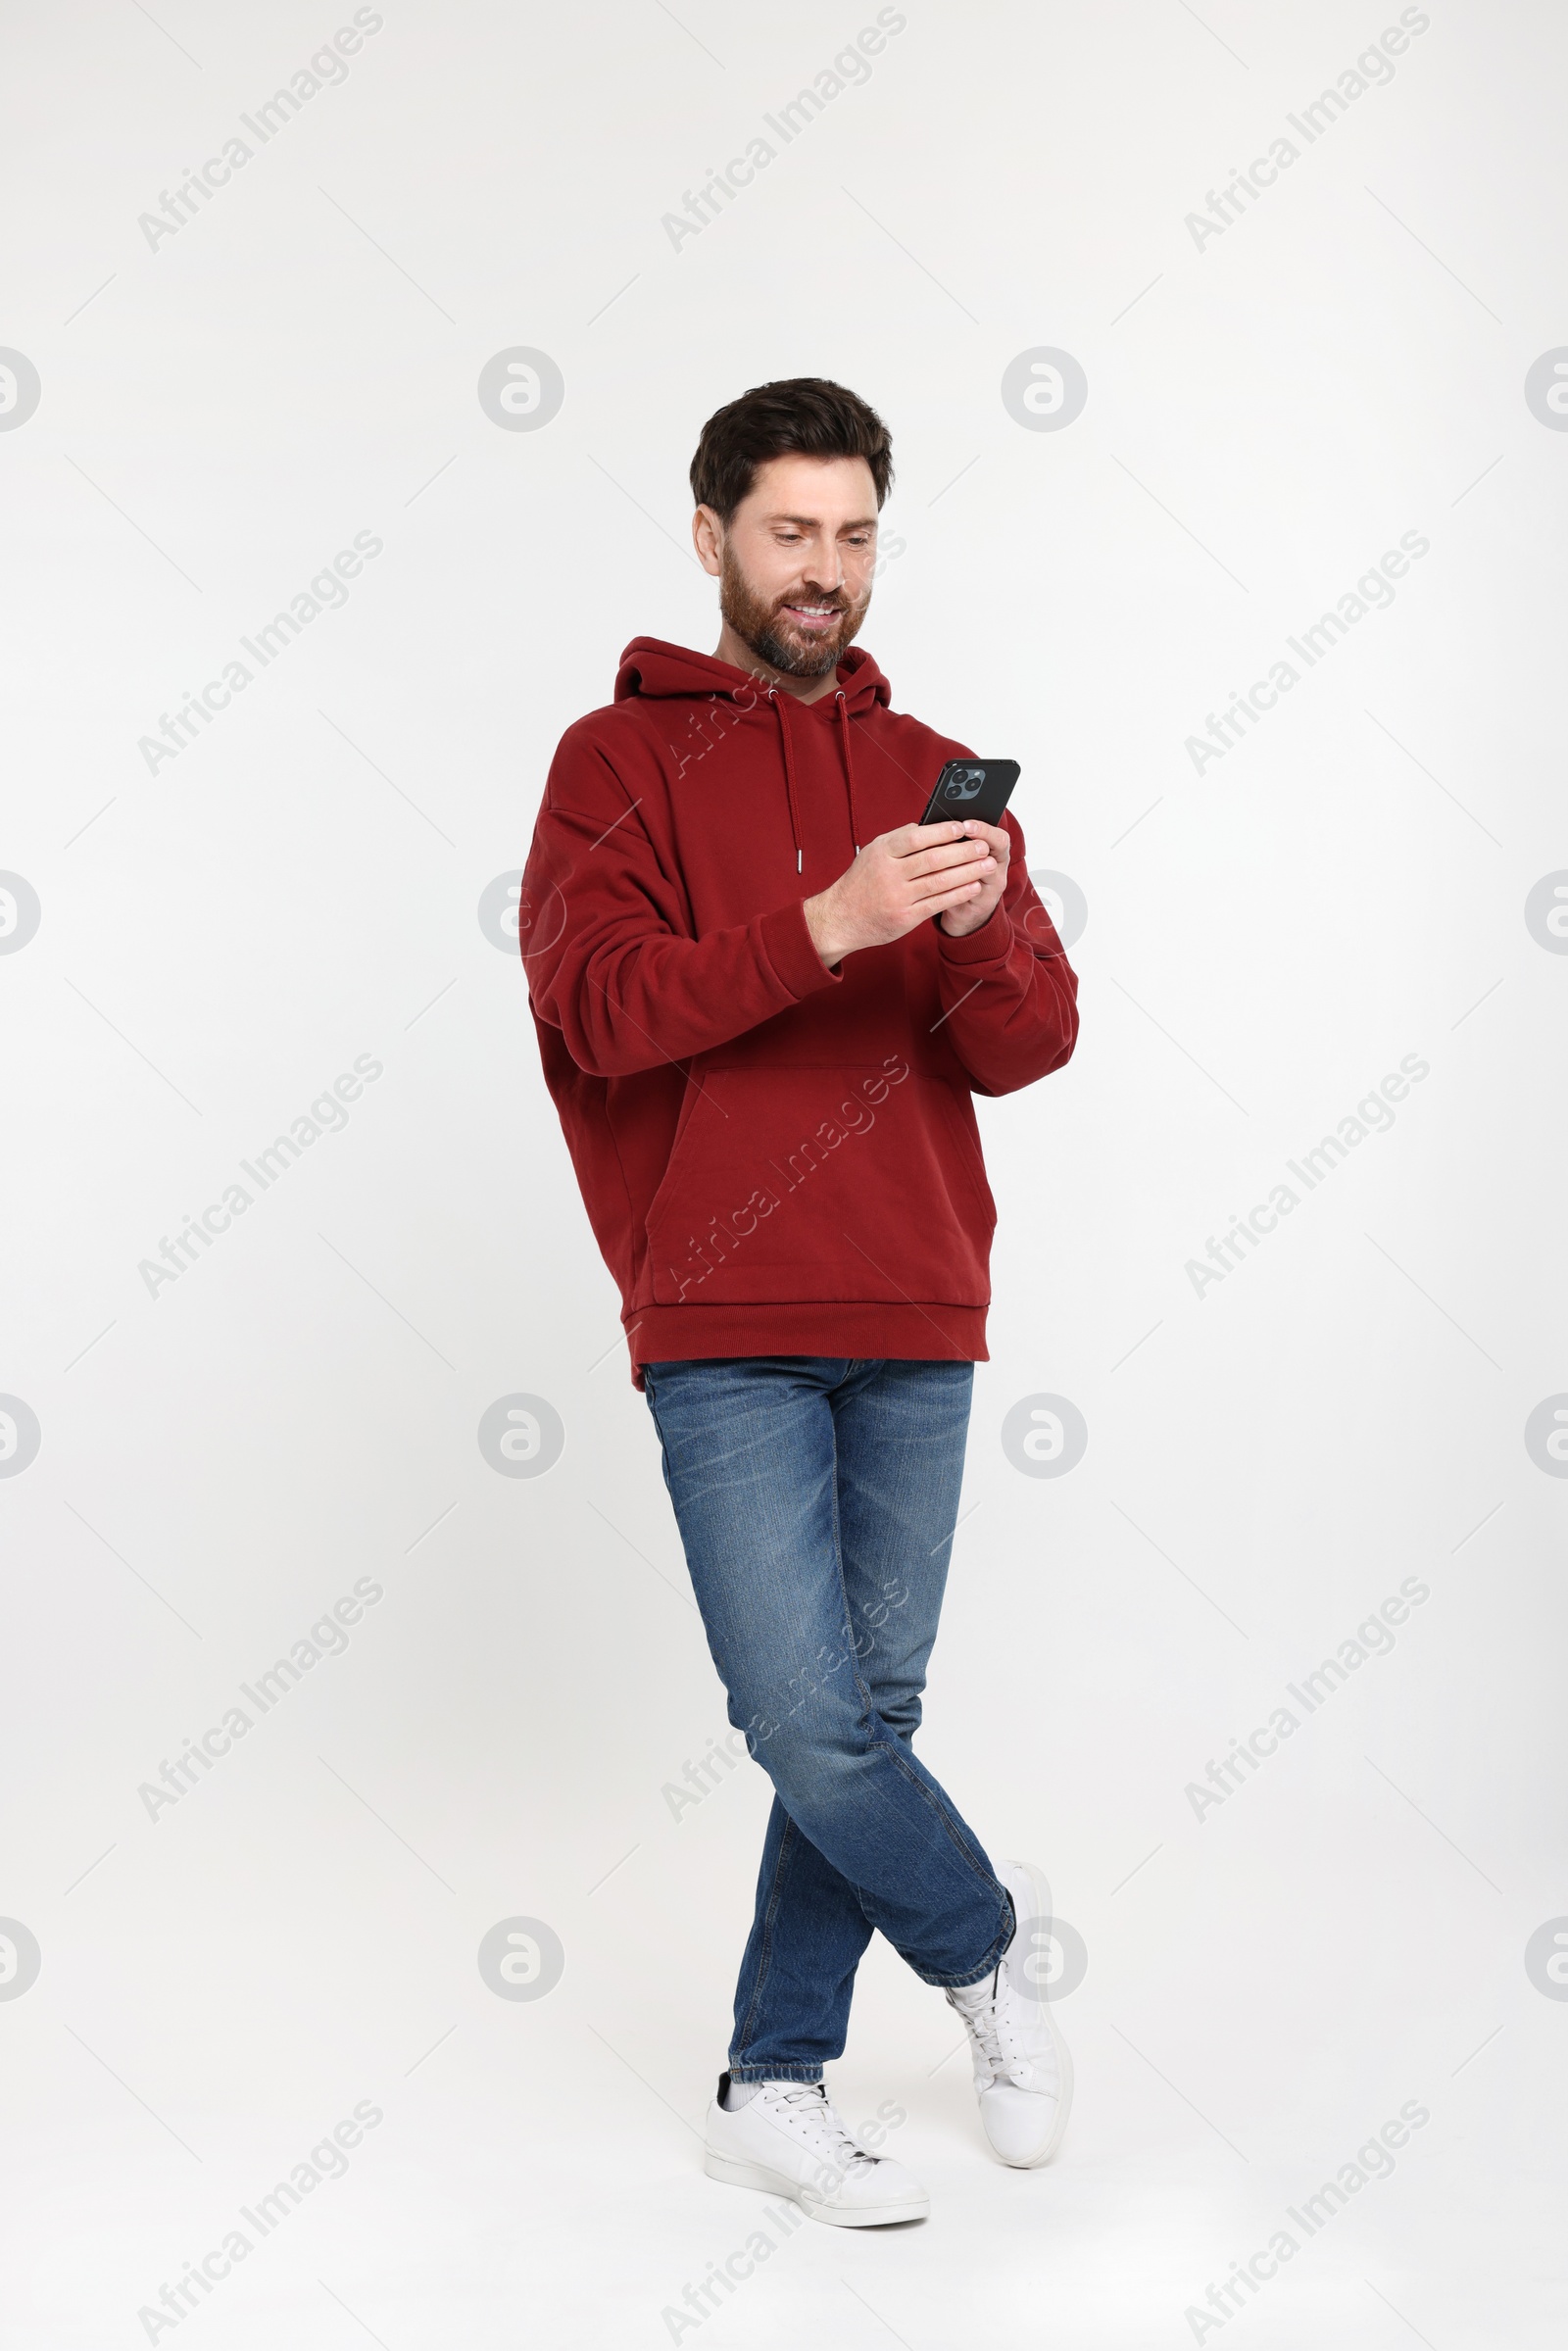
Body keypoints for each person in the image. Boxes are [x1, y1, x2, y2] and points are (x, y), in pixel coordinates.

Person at [522, 377, 1080, 2225]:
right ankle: (990, 1955)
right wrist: (829, 923)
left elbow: (1032, 1047)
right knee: (808, 1721)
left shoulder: (935, 760)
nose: (823, 571)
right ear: (712, 539)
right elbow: (599, 1007)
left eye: (852, 535)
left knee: (872, 1712)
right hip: (725, 1313)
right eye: (789, 532)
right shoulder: (614, 765)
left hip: (919, 1302)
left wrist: (981, 918)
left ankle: (773, 2079)